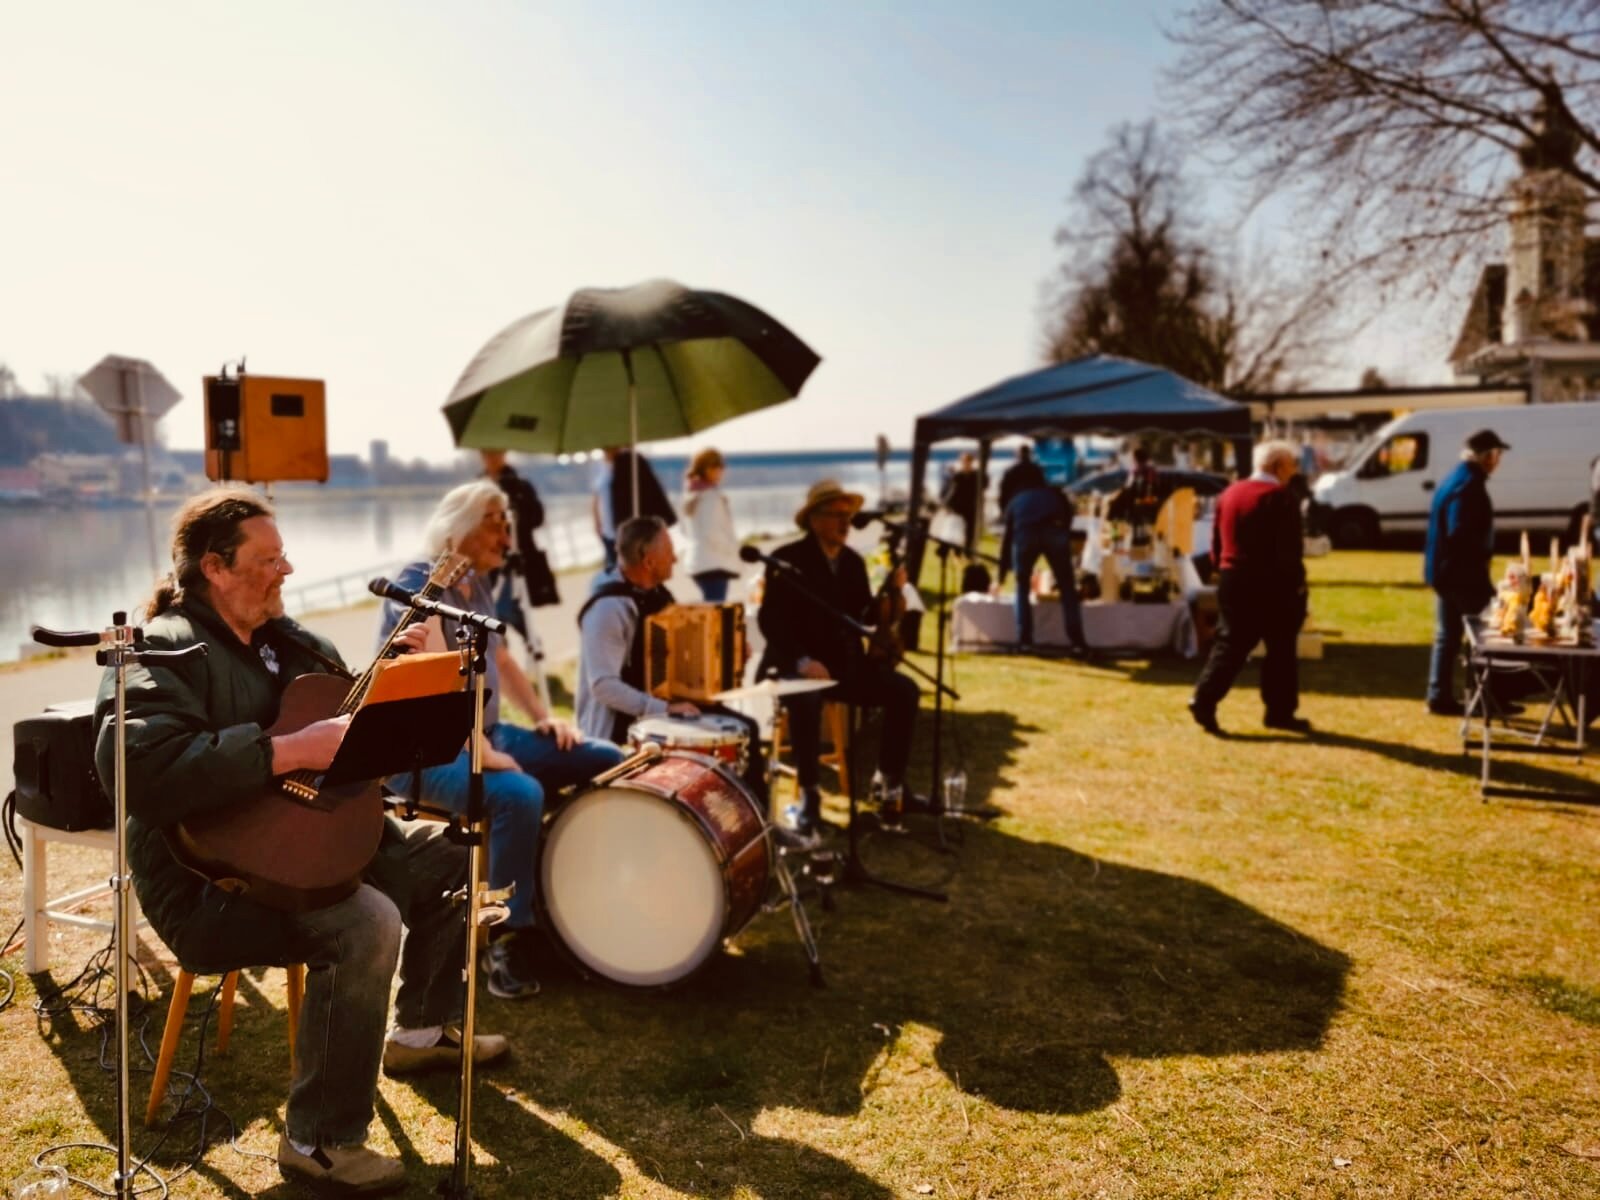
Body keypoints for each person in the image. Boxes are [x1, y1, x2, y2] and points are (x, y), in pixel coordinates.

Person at [95, 487, 505, 1196]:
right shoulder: (163, 649)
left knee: (451, 856)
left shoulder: (295, 643)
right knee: (366, 921)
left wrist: (401, 682)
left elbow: (351, 734)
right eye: (269, 558)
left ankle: (420, 1032)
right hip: (206, 880)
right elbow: (138, 767)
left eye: (285, 555)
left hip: (312, 840)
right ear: (215, 568)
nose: (286, 569)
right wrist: (284, 751)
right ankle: (318, 1142)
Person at [377, 480, 623, 999]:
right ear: (460, 524)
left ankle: (562, 898)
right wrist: (482, 753)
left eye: (507, 523)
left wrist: (545, 718)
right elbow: (433, 679)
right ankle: (507, 939)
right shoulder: (425, 580)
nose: (506, 533)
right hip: (424, 749)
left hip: (484, 733)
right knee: (519, 794)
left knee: (600, 757)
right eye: (495, 519)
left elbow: (502, 660)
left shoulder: (478, 585)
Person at [758, 480, 922, 843]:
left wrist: (891, 594)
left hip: (842, 665)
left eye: (848, 516)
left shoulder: (851, 562)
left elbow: (860, 614)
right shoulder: (788, 559)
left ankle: (889, 785)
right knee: (807, 698)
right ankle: (809, 797)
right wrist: (801, 661)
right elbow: (770, 622)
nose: (845, 523)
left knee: (905, 691)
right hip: (793, 664)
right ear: (814, 519)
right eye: (836, 515)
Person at [574, 515, 770, 805]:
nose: (676, 559)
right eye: (669, 551)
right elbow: (603, 686)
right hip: (618, 729)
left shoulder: (657, 595)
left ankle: (750, 821)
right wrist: (664, 708)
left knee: (742, 730)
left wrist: (729, 656)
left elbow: (680, 661)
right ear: (648, 559)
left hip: (657, 709)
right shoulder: (607, 608)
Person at [1188, 440, 1310, 736]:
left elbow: (1216, 540)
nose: (1293, 472)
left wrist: (1221, 567)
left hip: (1233, 575)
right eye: (1291, 466)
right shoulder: (1281, 497)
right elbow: (1289, 550)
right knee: (1281, 647)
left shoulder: (1230, 493)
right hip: (1271, 581)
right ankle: (1279, 710)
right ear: (1278, 465)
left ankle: (1205, 697)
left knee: (1231, 642)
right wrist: (1297, 584)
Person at [1423, 428, 1509, 716]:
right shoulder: (1469, 485)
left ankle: (1439, 695)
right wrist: (1479, 560)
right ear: (1486, 457)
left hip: (1444, 571)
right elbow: (1459, 530)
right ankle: (1484, 696)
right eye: (1496, 455)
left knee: (1447, 635)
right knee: (1484, 633)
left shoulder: (1455, 478)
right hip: (1462, 574)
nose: (1498, 461)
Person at [998, 479, 1091, 657]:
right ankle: (1077, 642)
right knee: (1067, 588)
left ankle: (1025, 641)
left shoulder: (1016, 499)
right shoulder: (1054, 494)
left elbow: (1007, 539)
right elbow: (1069, 517)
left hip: (1025, 535)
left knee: (1022, 587)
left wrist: (1001, 574)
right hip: (1053, 532)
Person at [480, 448, 559, 623]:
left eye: (495, 453)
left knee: (515, 611)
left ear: (503, 454)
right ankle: (498, 645)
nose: (491, 458)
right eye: (486, 453)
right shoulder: (477, 487)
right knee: (489, 609)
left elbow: (537, 517)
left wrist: (512, 519)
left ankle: (524, 644)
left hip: (516, 556)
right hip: (486, 561)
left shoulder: (520, 486)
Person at [682, 448, 742, 602]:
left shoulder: (692, 494)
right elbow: (712, 532)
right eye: (719, 466)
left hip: (698, 562)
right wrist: (732, 549)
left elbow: (685, 530)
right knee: (716, 612)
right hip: (714, 563)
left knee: (711, 608)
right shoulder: (710, 497)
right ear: (708, 469)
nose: (722, 470)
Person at [939, 451, 983, 551]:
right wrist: (947, 505)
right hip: (958, 507)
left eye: (968, 461)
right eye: (964, 461)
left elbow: (984, 486)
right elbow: (952, 491)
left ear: (971, 462)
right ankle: (957, 551)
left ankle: (968, 551)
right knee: (957, 530)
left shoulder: (977, 475)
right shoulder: (958, 476)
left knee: (970, 532)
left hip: (971, 507)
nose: (966, 463)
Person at [998, 443, 1047, 515]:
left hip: (1016, 504)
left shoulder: (1011, 471)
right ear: (1030, 454)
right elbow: (1043, 488)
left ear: (1018, 455)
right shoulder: (1037, 470)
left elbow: (1004, 491)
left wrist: (1003, 510)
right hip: (1033, 504)